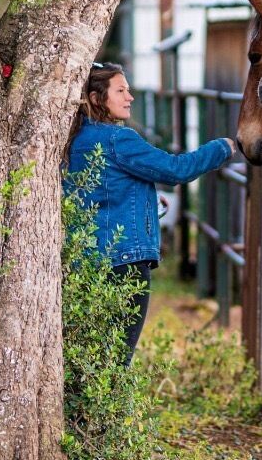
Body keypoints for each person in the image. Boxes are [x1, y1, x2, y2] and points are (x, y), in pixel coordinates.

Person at [65, 62, 235, 358]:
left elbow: (101, 195)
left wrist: (146, 202)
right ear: (95, 98)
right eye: (120, 91)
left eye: (128, 90)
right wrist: (224, 147)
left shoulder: (73, 141)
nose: (129, 97)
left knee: (91, 355)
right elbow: (175, 170)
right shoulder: (119, 139)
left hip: (84, 263)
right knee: (118, 357)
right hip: (124, 263)